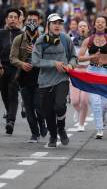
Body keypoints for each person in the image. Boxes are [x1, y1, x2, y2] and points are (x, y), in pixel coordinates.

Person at [32, 13, 77, 148]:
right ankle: (53, 135)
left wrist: (70, 65)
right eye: (54, 23)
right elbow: (35, 61)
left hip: (62, 79)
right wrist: (53, 63)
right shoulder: (40, 40)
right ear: (48, 25)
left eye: (59, 23)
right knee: (47, 112)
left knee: (59, 106)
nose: (57, 25)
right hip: (45, 81)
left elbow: (74, 57)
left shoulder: (65, 39)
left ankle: (61, 129)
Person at [78, 15, 107, 139]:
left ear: (106, 26)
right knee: (95, 102)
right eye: (98, 22)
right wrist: (92, 57)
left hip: (106, 72)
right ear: (94, 25)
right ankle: (99, 129)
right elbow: (79, 57)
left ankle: (103, 116)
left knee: (105, 104)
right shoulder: (88, 40)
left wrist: (105, 62)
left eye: (102, 22)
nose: (100, 24)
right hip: (92, 71)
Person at [10, 10, 47, 141]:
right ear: (25, 21)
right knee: (29, 108)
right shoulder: (19, 39)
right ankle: (34, 133)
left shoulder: (44, 39)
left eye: (35, 20)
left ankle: (42, 123)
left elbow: (49, 58)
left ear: (39, 22)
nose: (32, 23)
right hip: (24, 79)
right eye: (29, 20)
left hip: (40, 78)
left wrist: (37, 52)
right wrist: (21, 64)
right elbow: (12, 58)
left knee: (38, 105)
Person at [0, 7, 23, 135]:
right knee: (4, 94)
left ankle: (11, 121)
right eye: (10, 17)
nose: (12, 19)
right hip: (3, 68)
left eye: (15, 17)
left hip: (16, 68)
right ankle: (9, 114)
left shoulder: (22, 35)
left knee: (13, 92)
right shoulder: (1, 33)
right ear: (6, 19)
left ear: (19, 20)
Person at [69, 20, 90, 132]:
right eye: (80, 26)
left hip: (87, 72)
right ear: (77, 29)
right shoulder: (72, 41)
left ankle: (81, 123)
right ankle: (79, 111)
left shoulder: (92, 41)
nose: (82, 28)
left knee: (84, 100)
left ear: (88, 28)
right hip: (75, 71)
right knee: (75, 101)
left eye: (84, 26)